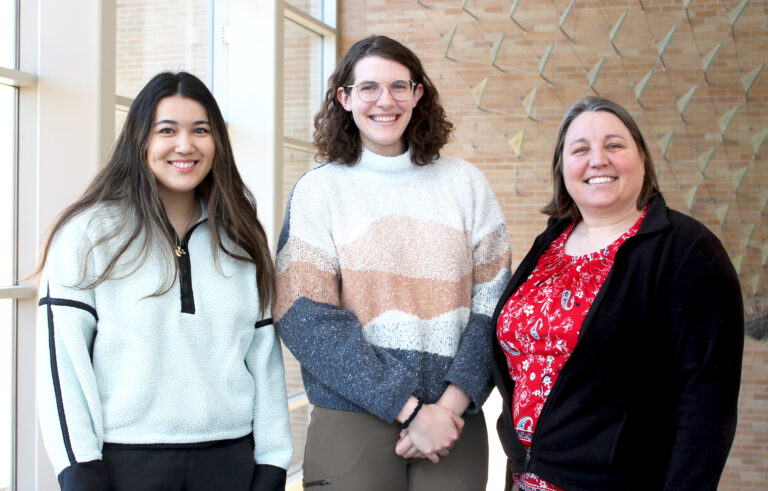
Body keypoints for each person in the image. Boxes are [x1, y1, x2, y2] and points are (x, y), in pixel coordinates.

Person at [274, 35, 511, 490]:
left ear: (418, 94)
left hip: (452, 421)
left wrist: (449, 407)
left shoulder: (466, 184)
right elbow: (304, 315)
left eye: (399, 86)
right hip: (352, 415)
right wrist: (410, 408)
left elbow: (495, 304)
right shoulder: (319, 190)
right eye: (368, 88)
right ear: (344, 98)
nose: (385, 101)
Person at [36, 71, 292, 491]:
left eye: (200, 130)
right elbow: (62, 364)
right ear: (140, 140)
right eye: (167, 130)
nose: (185, 145)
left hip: (231, 462)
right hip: (123, 463)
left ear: (217, 142)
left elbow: (264, 361)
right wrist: (79, 468)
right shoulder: (87, 235)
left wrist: (273, 463)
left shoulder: (242, 240)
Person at [491, 96, 744, 491]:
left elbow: (707, 402)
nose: (598, 160)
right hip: (525, 479)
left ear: (642, 158)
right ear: (562, 167)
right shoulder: (551, 242)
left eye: (613, 145)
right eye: (580, 149)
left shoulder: (687, 249)